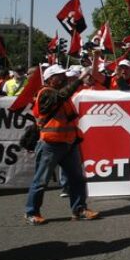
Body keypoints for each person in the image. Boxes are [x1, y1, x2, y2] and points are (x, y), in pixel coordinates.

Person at [24, 65, 99, 224]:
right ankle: (31, 212)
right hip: (50, 145)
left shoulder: (59, 93)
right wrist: (79, 80)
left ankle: (80, 209)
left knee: (77, 179)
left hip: (68, 143)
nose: (63, 78)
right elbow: (60, 97)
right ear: (50, 79)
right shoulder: (46, 93)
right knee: (41, 180)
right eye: (59, 75)